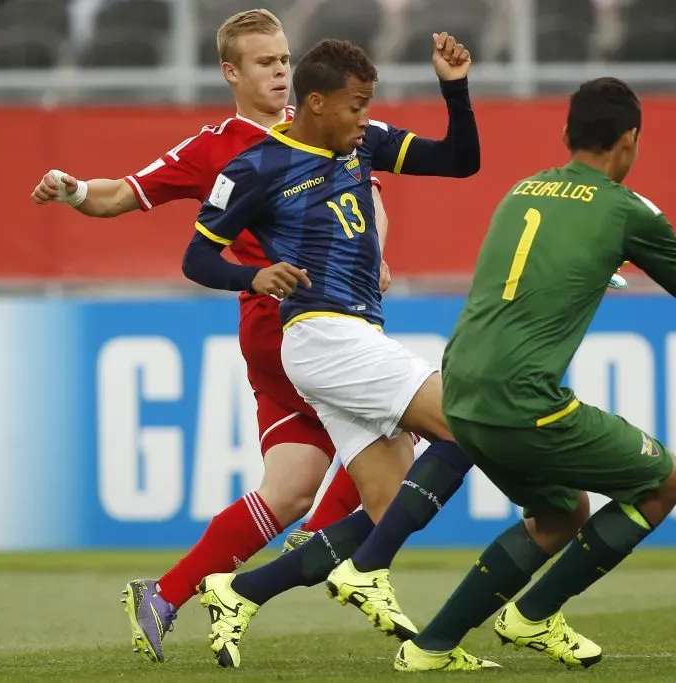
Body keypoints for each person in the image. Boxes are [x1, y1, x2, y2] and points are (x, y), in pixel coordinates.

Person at [394, 77, 676, 672]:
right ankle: (531, 617)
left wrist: (583, 273)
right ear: (629, 141)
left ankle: (428, 650)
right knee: (664, 482)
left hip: (458, 395)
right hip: (522, 400)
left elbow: (521, 272)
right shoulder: (627, 211)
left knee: (559, 515)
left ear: (566, 134)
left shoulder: (521, 190)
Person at [29, 9, 387, 663]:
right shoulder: (216, 147)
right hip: (290, 319)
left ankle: (164, 594)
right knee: (410, 419)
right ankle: (322, 546)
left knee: (288, 485)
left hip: (310, 322)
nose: (280, 71)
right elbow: (121, 194)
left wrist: (374, 258)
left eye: (283, 59)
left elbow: (369, 198)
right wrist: (74, 188)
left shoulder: (322, 124)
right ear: (232, 72)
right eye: (264, 62)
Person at [181, 34, 481, 669]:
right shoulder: (254, 169)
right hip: (321, 336)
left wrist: (454, 88)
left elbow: (460, 161)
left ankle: (240, 589)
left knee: (390, 505)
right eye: (356, 106)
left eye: (369, 105)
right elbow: (196, 256)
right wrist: (251, 276)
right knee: (472, 424)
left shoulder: (363, 143)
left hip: (354, 337)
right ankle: (367, 572)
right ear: (316, 104)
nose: (365, 118)